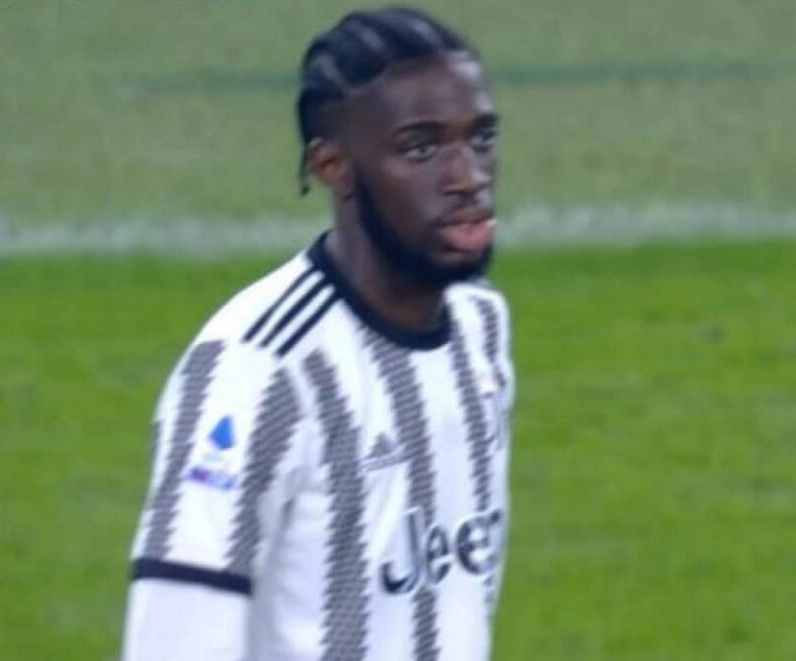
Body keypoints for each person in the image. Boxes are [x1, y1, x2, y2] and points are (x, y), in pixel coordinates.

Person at [120, 7, 514, 660]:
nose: (469, 176)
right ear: (333, 166)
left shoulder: (481, 326)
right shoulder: (255, 371)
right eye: (421, 148)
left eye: (480, 139)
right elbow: (175, 639)